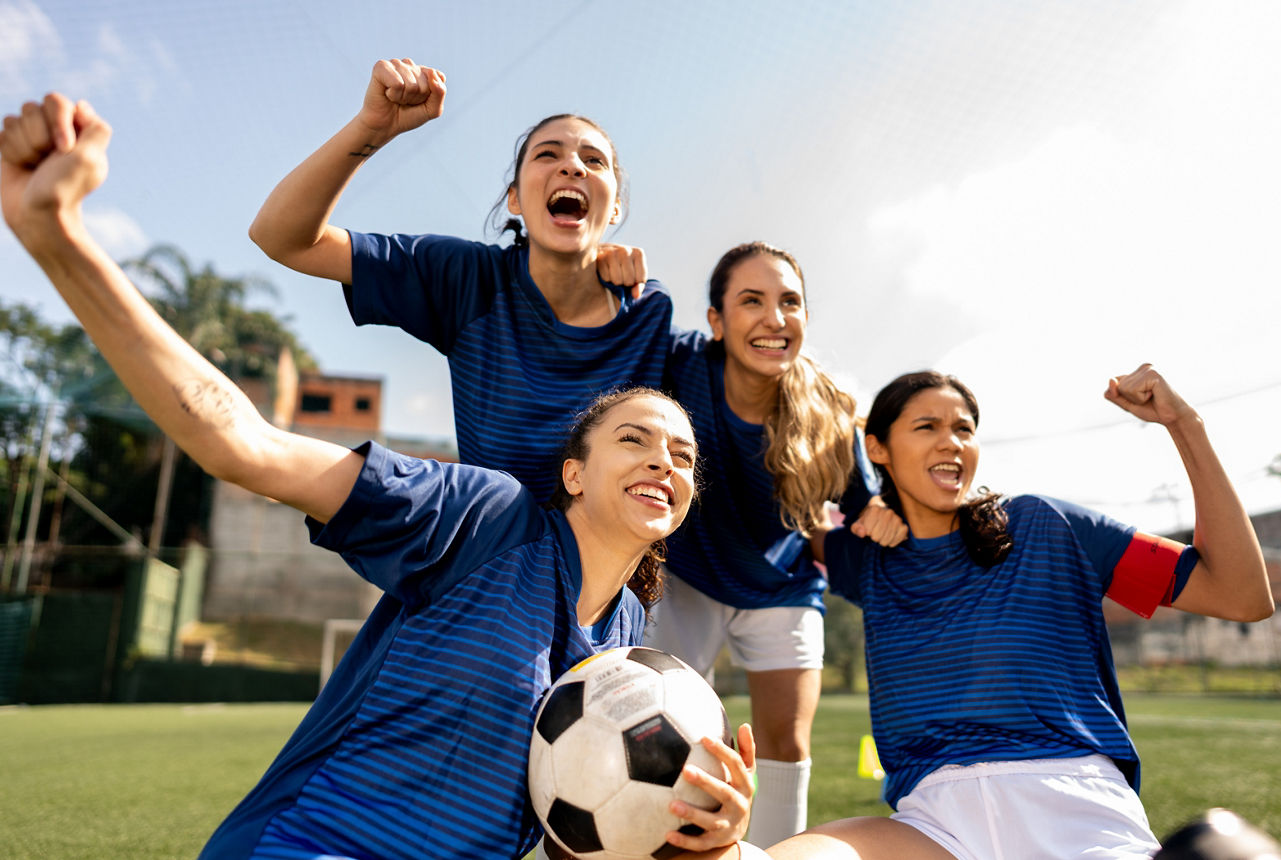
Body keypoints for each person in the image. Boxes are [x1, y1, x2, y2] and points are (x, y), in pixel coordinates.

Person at [0, 92, 757, 860]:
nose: (665, 458)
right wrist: (58, 236)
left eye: (684, 455)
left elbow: (582, 834)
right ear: (572, 467)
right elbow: (241, 443)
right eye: (634, 438)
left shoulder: (626, 639)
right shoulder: (479, 513)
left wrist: (705, 840)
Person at [757, 366, 1272, 860]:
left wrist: (1186, 425)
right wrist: (863, 502)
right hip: (933, 825)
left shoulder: (1046, 527)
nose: (951, 441)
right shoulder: (866, 557)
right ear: (878, 449)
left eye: (964, 428)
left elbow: (1239, 594)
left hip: (1077, 808)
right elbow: (774, 523)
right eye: (927, 426)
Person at [249, 58, 668, 500]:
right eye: (548, 154)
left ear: (615, 208)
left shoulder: (648, 312)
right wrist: (372, 127)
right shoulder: (466, 279)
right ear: (515, 199)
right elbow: (281, 237)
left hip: (614, 567)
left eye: (593, 160)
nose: (573, 167)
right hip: (490, 560)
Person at [646, 241, 906, 846]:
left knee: (785, 743)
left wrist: (882, 517)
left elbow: (865, 506)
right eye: (752, 301)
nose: (774, 318)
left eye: (790, 302)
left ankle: (766, 859)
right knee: (658, 733)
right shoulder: (679, 365)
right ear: (716, 321)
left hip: (782, 586)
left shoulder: (827, 412)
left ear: (805, 319)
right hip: (684, 577)